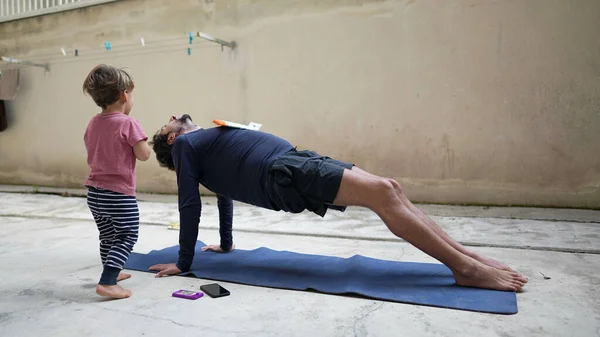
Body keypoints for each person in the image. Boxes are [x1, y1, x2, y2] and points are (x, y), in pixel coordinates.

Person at [148, 115, 528, 292]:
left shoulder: (205, 146)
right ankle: (465, 269)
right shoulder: (186, 147)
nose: (171, 119)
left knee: (389, 188)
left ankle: (468, 258)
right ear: (170, 142)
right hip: (282, 174)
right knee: (382, 193)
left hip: (294, 162)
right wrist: (185, 262)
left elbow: (223, 196)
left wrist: (227, 244)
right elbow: (190, 205)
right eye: (167, 125)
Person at [82, 64, 152, 299]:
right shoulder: (128, 123)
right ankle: (108, 281)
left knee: (108, 235)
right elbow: (143, 154)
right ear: (124, 95)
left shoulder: (93, 122)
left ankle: (111, 270)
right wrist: (142, 140)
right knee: (127, 234)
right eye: (131, 94)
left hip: (94, 192)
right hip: (119, 194)